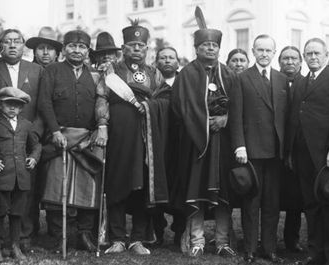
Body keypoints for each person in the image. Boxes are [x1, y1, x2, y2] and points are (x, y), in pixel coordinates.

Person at [100, 20, 170, 255]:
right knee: (117, 183)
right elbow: (102, 98)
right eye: (132, 45)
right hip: (119, 136)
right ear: (123, 47)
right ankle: (117, 237)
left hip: (146, 138)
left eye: (141, 45)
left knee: (143, 185)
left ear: (147, 48)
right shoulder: (112, 71)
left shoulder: (154, 73)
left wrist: (149, 106)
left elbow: (165, 100)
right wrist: (102, 125)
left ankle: (137, 238)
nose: (137, 49)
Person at [171, 27, 238, 258]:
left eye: (214, 45)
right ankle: (197, 240)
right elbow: (179, 108)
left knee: (222, 193)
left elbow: (239, 107)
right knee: (196, 191)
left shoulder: (228, 74)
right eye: (205, 45)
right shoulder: (186, 74)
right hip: (196, 145)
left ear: (219, 48)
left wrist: (226, 118)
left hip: (223, 144)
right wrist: (203, 123)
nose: (210, 48)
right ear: (196, 48)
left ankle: (222, 241)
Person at [286, 38, 329, 265]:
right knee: (311, 204)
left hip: (326, 155)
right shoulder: (300, 82)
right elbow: (294, 119)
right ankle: (315, 253)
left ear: (326, 55)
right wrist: (290, 152)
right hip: (303, 154)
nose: (312, 57)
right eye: (308, 54)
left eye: (317, 53)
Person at [38, 29, 106, 253]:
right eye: (72, 46)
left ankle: (85, 235)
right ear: (64, 49)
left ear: (88, 51)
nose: (77, 50)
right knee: (57, 187)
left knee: (88, 187)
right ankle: (60, 235)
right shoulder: (52, 71)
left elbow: (101, 104)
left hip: (86, 141)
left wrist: (100, 129)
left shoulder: (95, 76)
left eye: (82, 47)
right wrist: (56, 131)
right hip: (60, 138)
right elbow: (45, 103)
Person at [232, 34, 288, 264]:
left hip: (276, 151)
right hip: (252, 150)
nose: (264, 54)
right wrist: (239, 145)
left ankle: (269, 248)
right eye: (260, 50)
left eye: (269, 50)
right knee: (251, 202)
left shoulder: (282, 79)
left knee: (272, 203)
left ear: (274, 53)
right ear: (253, 51)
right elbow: (235, 116)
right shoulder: (243, 78)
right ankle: (250, 249)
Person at [0, 28, 44, 251]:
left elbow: (43, 105)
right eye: (7, 42)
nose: (12, 45)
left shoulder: (36, 70)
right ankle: (0, 239)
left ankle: (23, 237)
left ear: (24, 45)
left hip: (28, 134)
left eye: (17, 41)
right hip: (1, 137)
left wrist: (34, 133)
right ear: (1, 45)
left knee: (25, 188)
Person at [0, 87, 41, 262]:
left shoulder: (27, 125)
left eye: (17, 105)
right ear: (1, 105)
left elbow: (36, 146)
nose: (12, 108)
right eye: (9, 104)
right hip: (2, 177)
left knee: (17, 213)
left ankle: (15, 245)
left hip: (21, 177)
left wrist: (33, 158)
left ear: (22, 108)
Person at [149, 46, 185, 247]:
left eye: (171, 57)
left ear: (178, 62)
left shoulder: (186, 82)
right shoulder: (151, 83)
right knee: (156, 185)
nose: (167, 61)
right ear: (156, 62)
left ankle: (180, 231)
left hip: (180, 143)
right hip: (157, 142)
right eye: (163, 58)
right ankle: (157, 231)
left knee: (180, 186)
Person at [278, 45, 304, 253]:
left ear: (300, 62)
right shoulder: (273, 82)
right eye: (285, 58)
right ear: (279, 62)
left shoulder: (307, 84)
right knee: (270, 197)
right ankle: (266, 238)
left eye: (294, 58)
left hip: (296, 149)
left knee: (295, 199)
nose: (290, 62)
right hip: (272, 146)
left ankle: (291, 239)